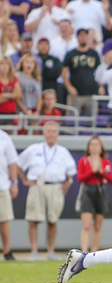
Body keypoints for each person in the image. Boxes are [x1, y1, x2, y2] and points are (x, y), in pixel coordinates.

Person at [16, 121, 76, 261]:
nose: (51, 134)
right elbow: (18, 164)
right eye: (48, 131)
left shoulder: (63, 151)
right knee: (33, 220)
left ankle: (51, 251)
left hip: (55, 187)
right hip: (37, 186)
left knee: (53, 221)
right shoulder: (34, 149)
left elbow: (71, 171)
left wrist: (68, 183)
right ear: (44, 134)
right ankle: (34, 251)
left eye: (53, 131)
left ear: (57, 134)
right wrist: (24, 180)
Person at [75, 136, 112, 252]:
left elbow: (111, 179)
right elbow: (80, 178)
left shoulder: (105, 162)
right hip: (87, 192)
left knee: (97, 226)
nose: (94, 147)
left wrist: (102, 172)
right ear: (88, 147)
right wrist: (92, 171)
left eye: (97, 144)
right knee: (86, 225)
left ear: (101, 148)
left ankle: (94, 252)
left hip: (100, 192)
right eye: (92, 144)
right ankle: (84, 251)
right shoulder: (84, 161)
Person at [62, 27, 101, 117]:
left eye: (85, 35)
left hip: (91, 93)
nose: (83, 37)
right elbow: (64, 73)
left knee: (92, 121)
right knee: (72, 120)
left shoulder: (94, 54)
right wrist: (69, 87)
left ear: (88, 37)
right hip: (75, 94)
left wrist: (100, 86)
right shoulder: (71, 54)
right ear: (77, 37)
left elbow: (99, 72)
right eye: (81, 35)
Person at [0, 129, 19, 261]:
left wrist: (14, 182)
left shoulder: (4, 137)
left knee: (4, 219)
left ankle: (7, 250)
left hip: (1, 185)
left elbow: (12, 161)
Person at [0, 57, 21, 130]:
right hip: (1, 113)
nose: (4, 66)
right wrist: (12, 96)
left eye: (6, 64)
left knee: (10, 133)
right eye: (2, 64)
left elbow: (19, 94)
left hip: (11, 112)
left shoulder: (13, 78)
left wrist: (6, 95)